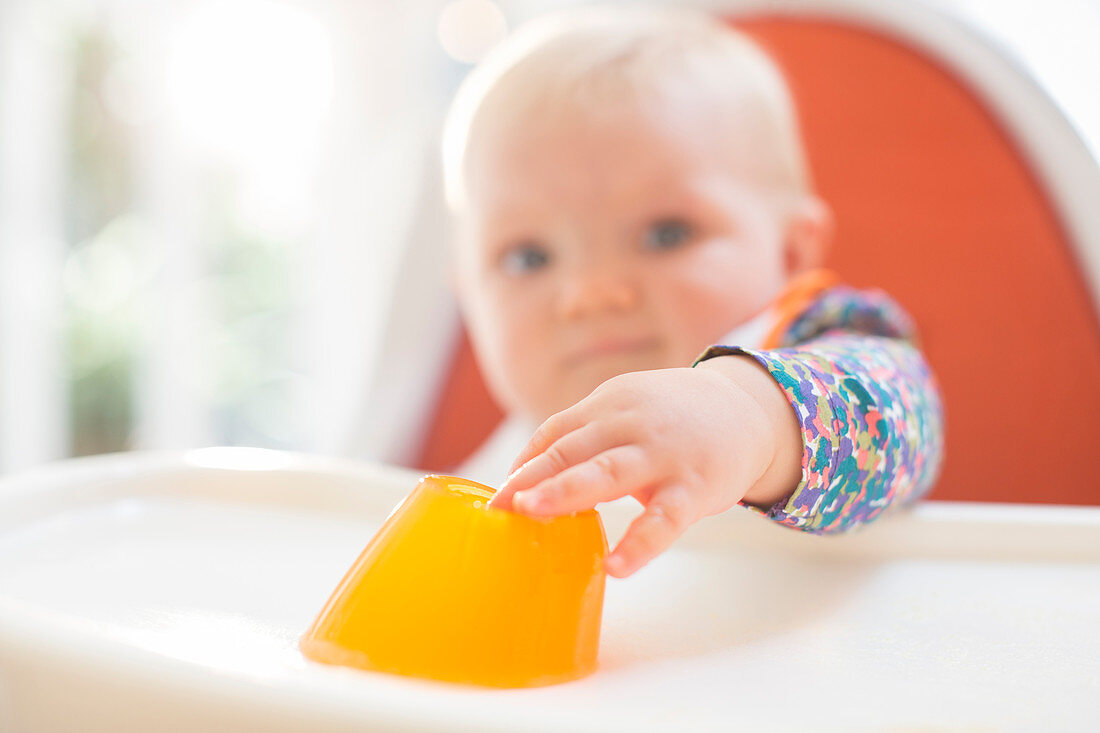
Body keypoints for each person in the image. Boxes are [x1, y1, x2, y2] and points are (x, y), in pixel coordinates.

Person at [441, 6, 944, 579]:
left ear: (791, 254)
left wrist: (748, 414)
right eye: (530, 258)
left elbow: (903, 418)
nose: (592, 293)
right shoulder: (508, 458)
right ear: (467, 291)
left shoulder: (818, 347)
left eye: (665, 235)